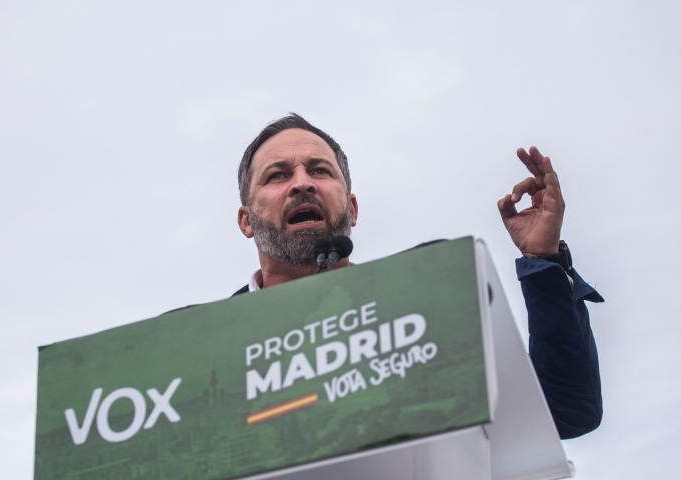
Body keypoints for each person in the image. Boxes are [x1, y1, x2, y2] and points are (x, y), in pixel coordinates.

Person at [233, 113, 604, 439]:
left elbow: (566, 412)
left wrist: (543, 262)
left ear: (352, 208)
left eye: (319, 170)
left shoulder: (423, 307)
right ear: (246, 220)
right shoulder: (215, 352)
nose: (302, 183)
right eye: (278, 175)